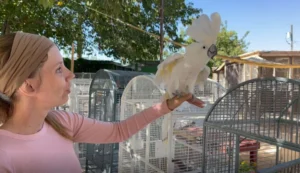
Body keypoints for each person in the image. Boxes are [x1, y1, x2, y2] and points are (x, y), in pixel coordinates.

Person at [0, 32, 205, 173]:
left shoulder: (62, 122)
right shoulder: (4, 156)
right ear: (29, 86)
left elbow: (119, 131)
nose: (71, 75)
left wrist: (167, 105)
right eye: (59, 69)